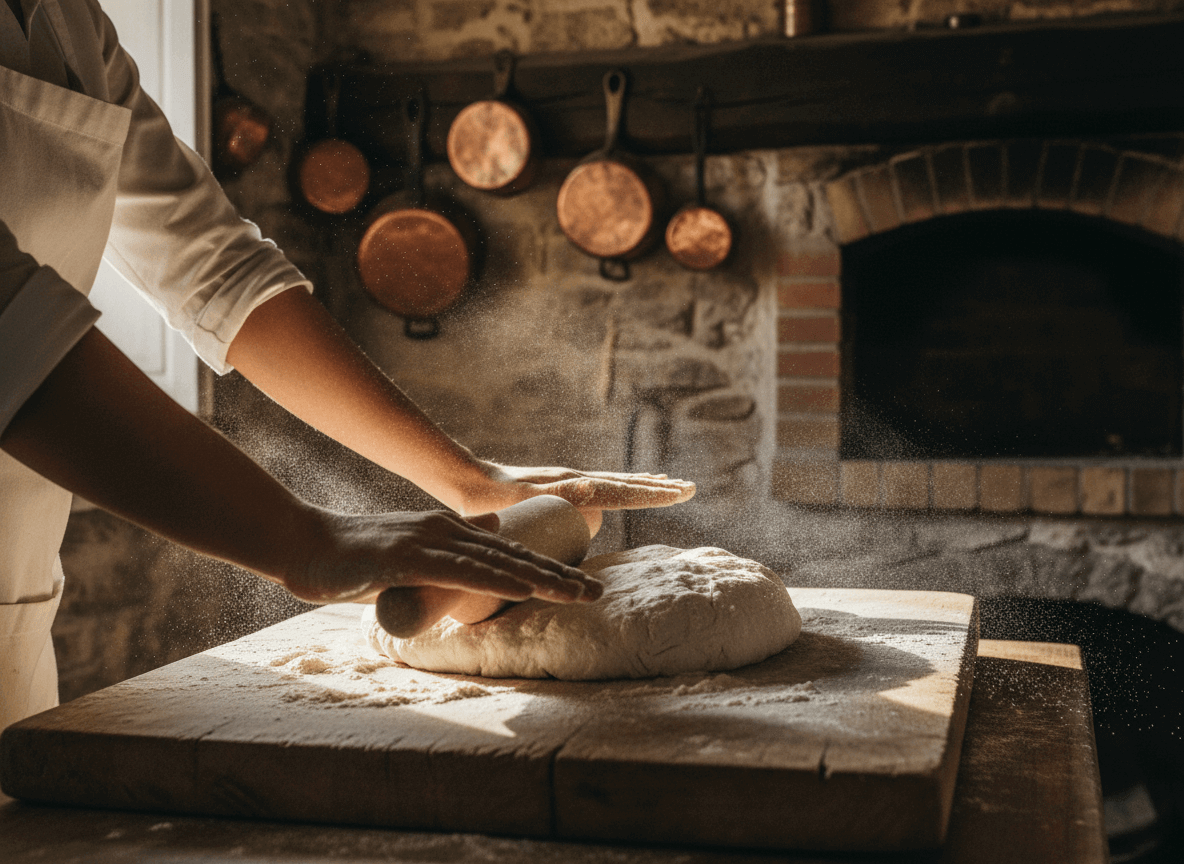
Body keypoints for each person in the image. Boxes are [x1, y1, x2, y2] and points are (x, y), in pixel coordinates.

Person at [0, 0, 695, 733]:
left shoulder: (72, 19)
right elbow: (15, 328)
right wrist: (308, 541)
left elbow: (216, 268)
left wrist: (468, 480)